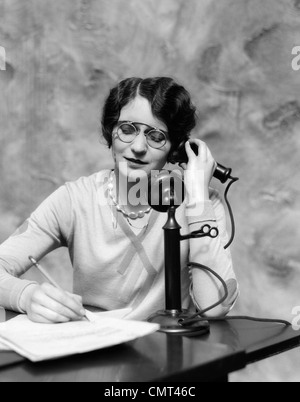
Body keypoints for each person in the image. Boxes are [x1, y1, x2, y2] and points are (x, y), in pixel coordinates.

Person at [0, 77, 238, 323]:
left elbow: (214, 308)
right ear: (110, 132)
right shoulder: (75, 200)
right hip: (96, 348)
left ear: (176, 148)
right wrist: (26, 296)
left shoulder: (201, 201)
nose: (137, 147)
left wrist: (198, 196)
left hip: (172, 351)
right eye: (127, 129)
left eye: (156, 136)